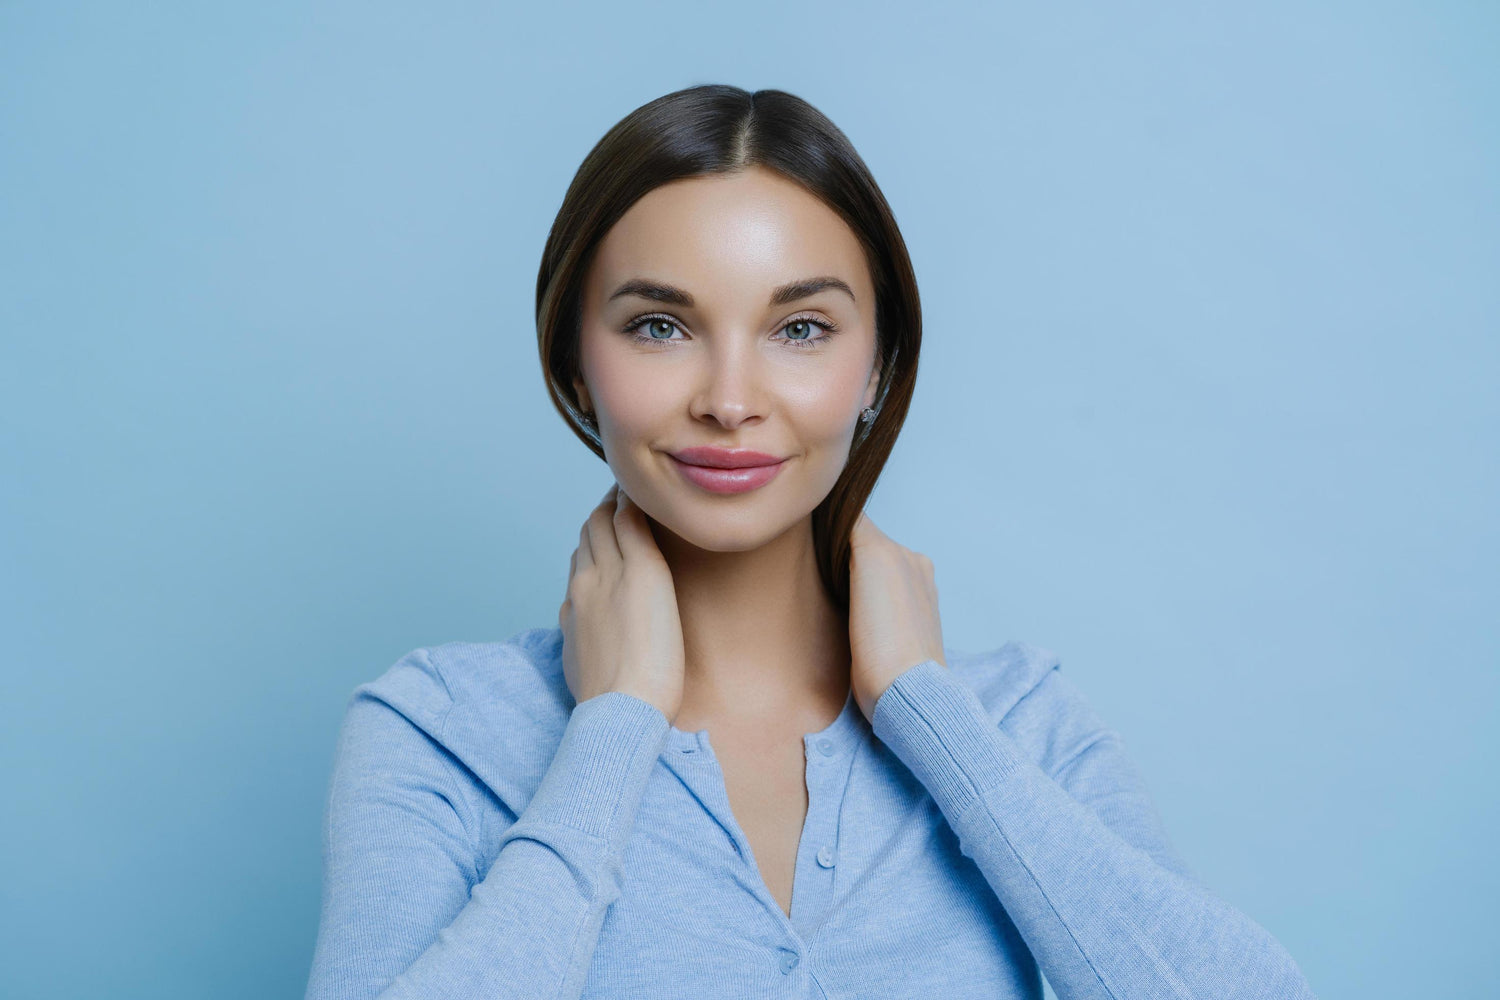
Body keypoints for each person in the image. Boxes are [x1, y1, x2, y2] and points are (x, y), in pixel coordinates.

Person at [303, 84, 1318, 999]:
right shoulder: (439, 732)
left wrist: (930, 714)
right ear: (575, 364)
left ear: (876, 367)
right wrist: (612, 729)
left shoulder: (1018, 723)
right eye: (660, 325)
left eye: (800, 330)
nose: (730, 400)